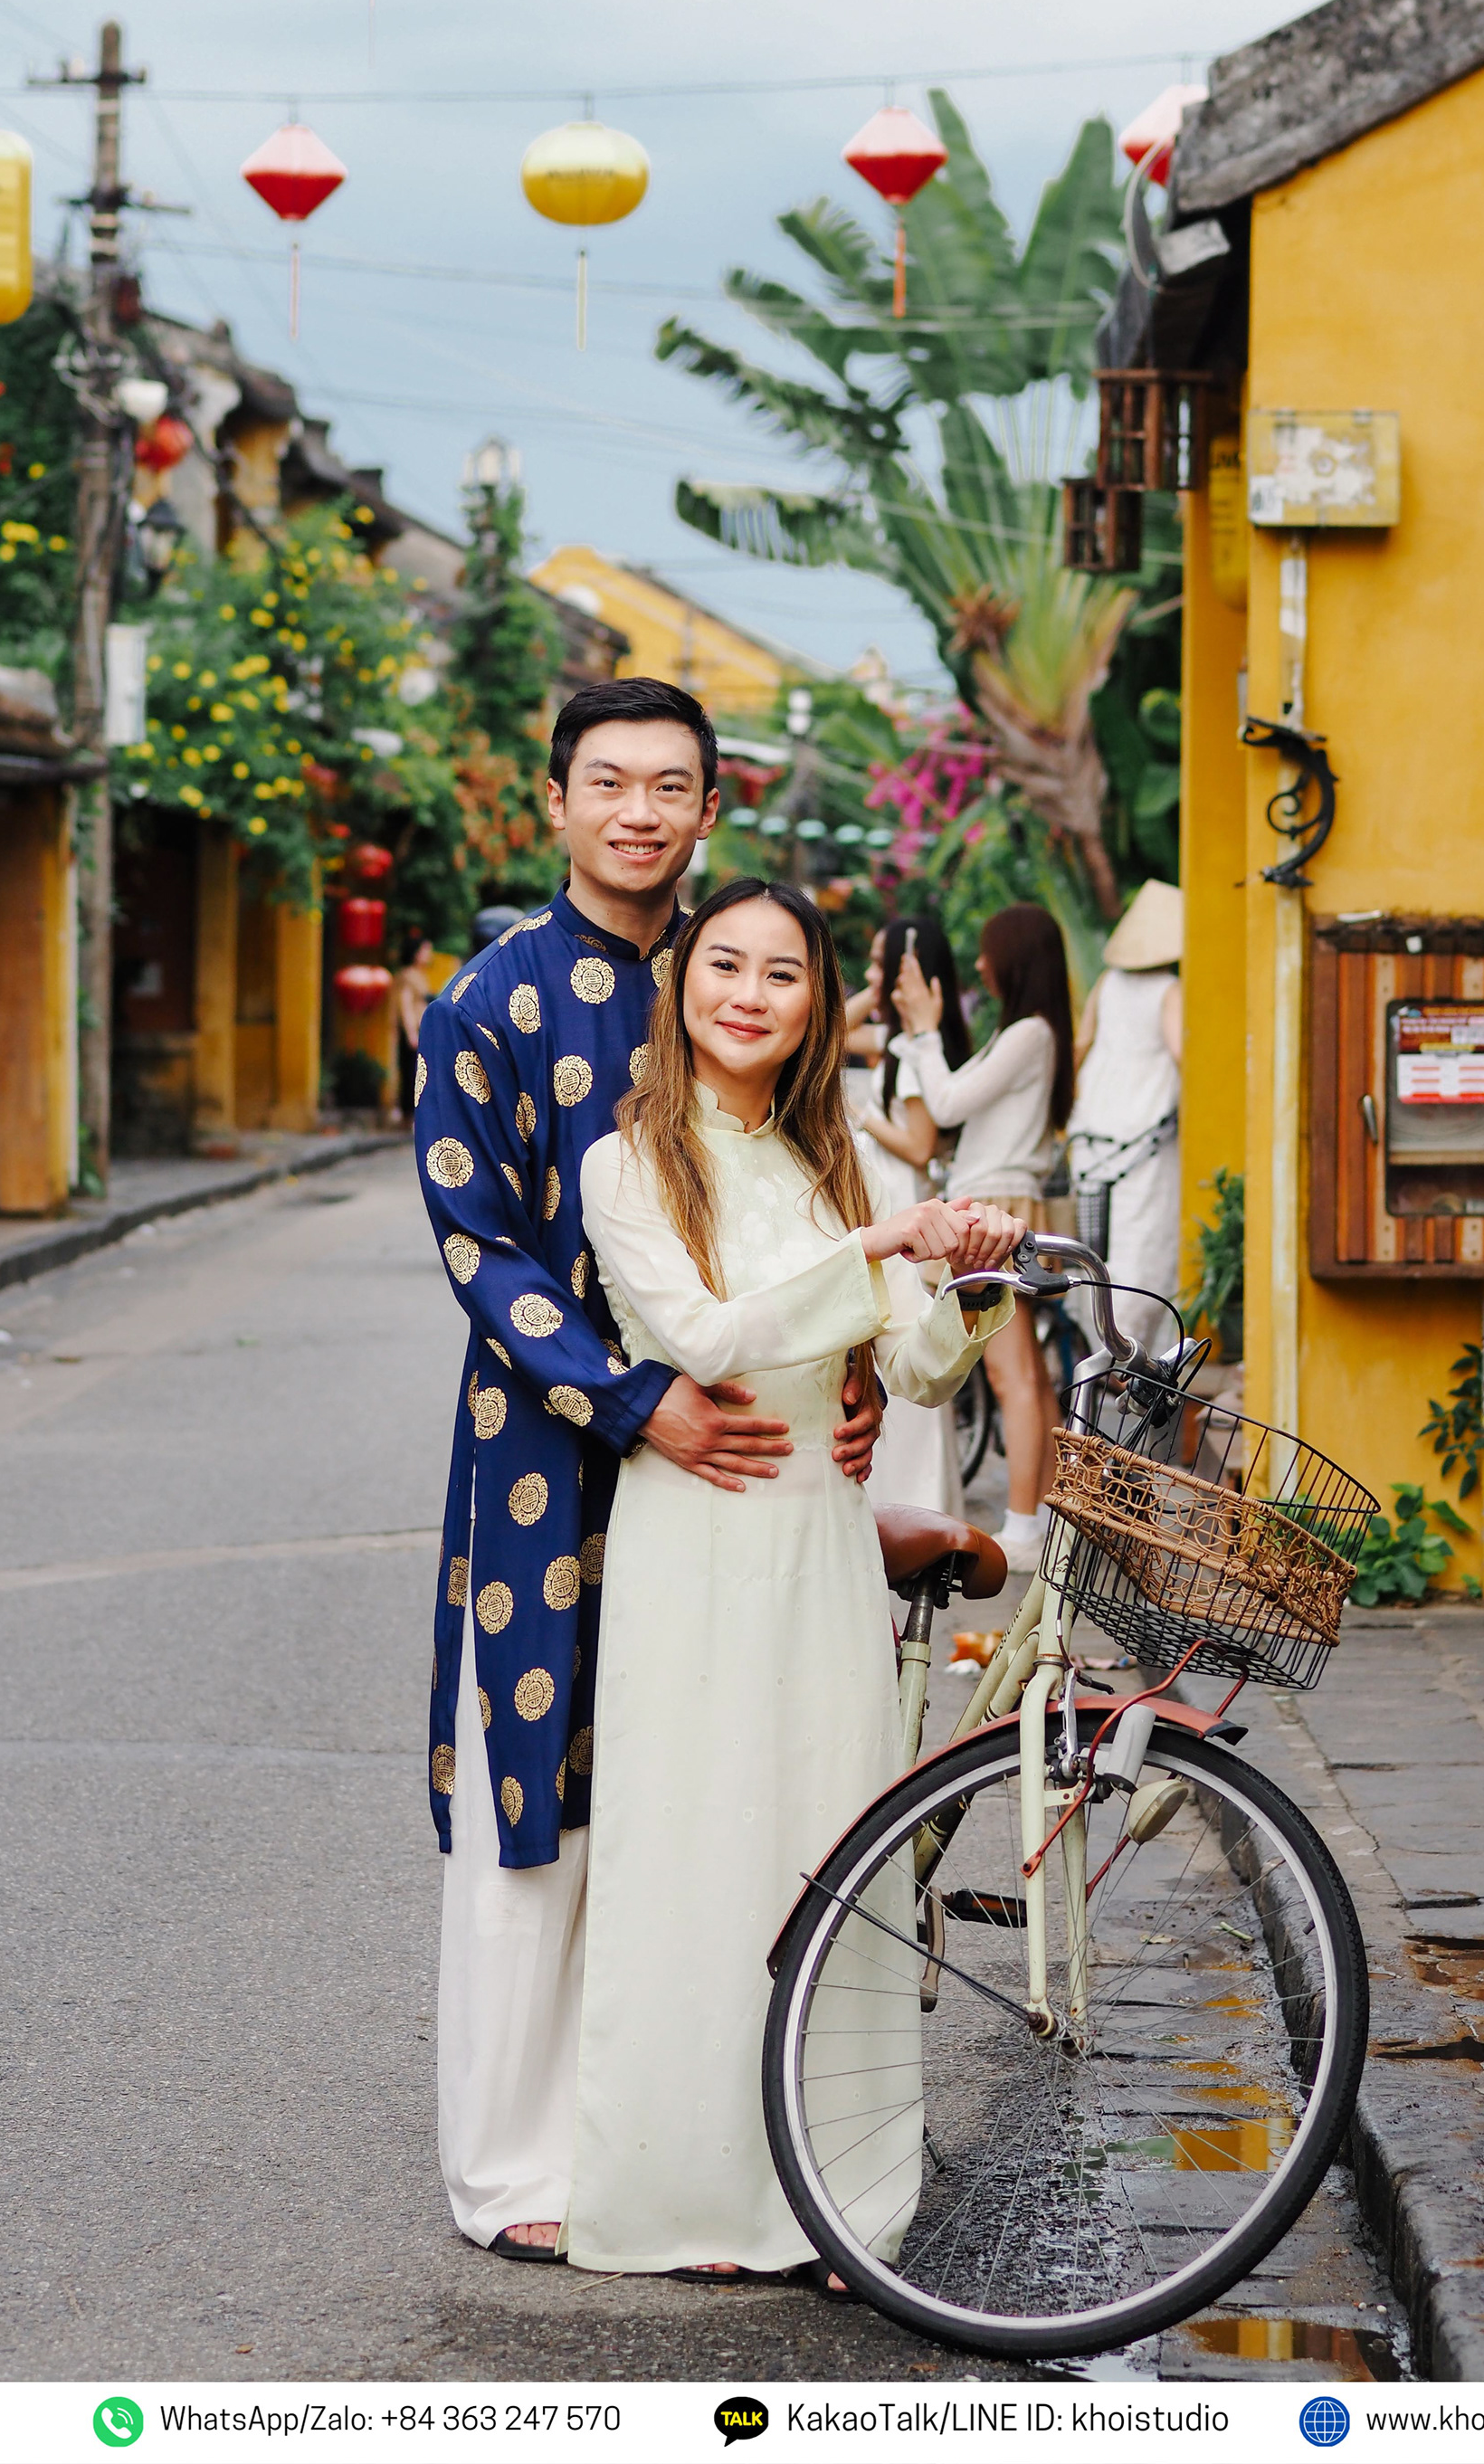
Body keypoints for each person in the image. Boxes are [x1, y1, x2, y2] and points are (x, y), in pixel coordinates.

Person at [413, 680, 883, 2262]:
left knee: (702, 1795)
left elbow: (812, 1221)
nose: (637, 811)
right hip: (551, 1457)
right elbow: (477, 1251)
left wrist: (857, 1374)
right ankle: (511, 2165)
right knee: (536, 1795)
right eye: (605, 781)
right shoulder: (487, 1001)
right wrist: (632, 1398)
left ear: (707, 811)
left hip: (737, 1469)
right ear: (555, 802)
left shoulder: (730, 983)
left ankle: (681, 2138)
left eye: (667, 786)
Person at [572, 878, 1021, 2280]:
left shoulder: (841, 1164)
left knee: (828, 1848)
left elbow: (915, 1368)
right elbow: (702, 1336)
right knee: (698, 1851)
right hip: (699, 1533)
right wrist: (880, 1248)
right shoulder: (630, 1161)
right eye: (724, 966)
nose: (749, 993)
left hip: (816, 1542)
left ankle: (841, 2201)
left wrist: (975, 1278)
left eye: (783, 973)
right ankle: (690, 2195)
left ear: (818, 1003)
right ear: (682, 984)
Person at [889, 902, 1074, 1569]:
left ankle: (1024, 1526)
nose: (978, 964)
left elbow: (944, 1106)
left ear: (1016, 956)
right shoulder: (1031, 1032)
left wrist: (924, 1031)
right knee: (1029, 1377)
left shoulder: (1029, 1033)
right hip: (1003, 1195)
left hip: (997, 1201)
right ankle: (1049, 1517)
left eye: (989, 951)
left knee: (1012, 1376)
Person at [842, 916, 974, 1518]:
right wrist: (881, 991)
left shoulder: (911, 1054)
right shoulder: (900, 1042)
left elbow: (920, 1145)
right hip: (896, 1211)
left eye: (879, 963)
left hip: (905, 1213)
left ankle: (913, 1513)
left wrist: (865, 1117)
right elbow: (827, 1031)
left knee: (904, 1362)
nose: (868, 977)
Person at [1070, 880, 1184, 1356]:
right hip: (1144, 1136)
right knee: (1145, 1247)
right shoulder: (1169, 989)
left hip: (1095, 1132)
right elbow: (1182, 1051)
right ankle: (1132, 1357)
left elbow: (1081, 1045)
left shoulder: (1107, 983)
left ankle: (1097, 1343)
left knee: (1096, 1251)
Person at [395, 934, 436, 1124]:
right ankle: (407, 1116)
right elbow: (405, 1006)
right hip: (412, 1033)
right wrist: (411, 1033)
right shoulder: (407, 976)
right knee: (411, 1074)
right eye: (425, 950)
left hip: (421, 1032)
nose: (429, 954)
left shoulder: (420, 975)